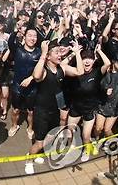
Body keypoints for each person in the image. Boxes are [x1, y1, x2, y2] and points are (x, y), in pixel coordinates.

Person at [25, 39, 83, 175]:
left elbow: (79, 72)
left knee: (50, 137)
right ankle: (28, 159)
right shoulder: (44, 70)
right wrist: (43, 54)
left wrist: (76, 53)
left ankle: (37, 154)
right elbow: (36, 75)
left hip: (54, 110)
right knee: (39, 142)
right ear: (49, 56)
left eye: (60, 52)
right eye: (56, 53)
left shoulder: (61, 68)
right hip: (41, 112)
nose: (60, 55)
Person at [66, 44, 110, 162]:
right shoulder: (76, 71)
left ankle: (86, 150)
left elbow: (108, 64)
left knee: (86, 136)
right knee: (69, 132)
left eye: (89, 59)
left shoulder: (97, 72)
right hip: (75, 107)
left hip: (89, 109)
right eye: (84, 58)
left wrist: (99, 51)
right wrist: (75, 53)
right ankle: (72, 146)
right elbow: (63, 66)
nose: (86, 62)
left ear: (93, 60)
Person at [8, 29, 40, 138]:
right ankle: (14, 125)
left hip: (32, 87)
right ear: (24, 37)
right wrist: (16, 30)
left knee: (31, 111)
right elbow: (10, 42)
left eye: (34, 36)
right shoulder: (18, 50)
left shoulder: (39, 52)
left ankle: (30, 127)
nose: (32, 38)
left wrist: (31, 78)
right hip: (17, 86)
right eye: (30, 35)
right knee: (16, 109)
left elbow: (41, 69)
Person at [95, 53, 118, 138]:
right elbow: (98, 86)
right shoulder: (105, 71)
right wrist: (105, 91)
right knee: (99, 128)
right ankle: (96, 141)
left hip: (115, 105)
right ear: (113, 61)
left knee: (107, 130)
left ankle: (113, 143)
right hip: (103, 104)